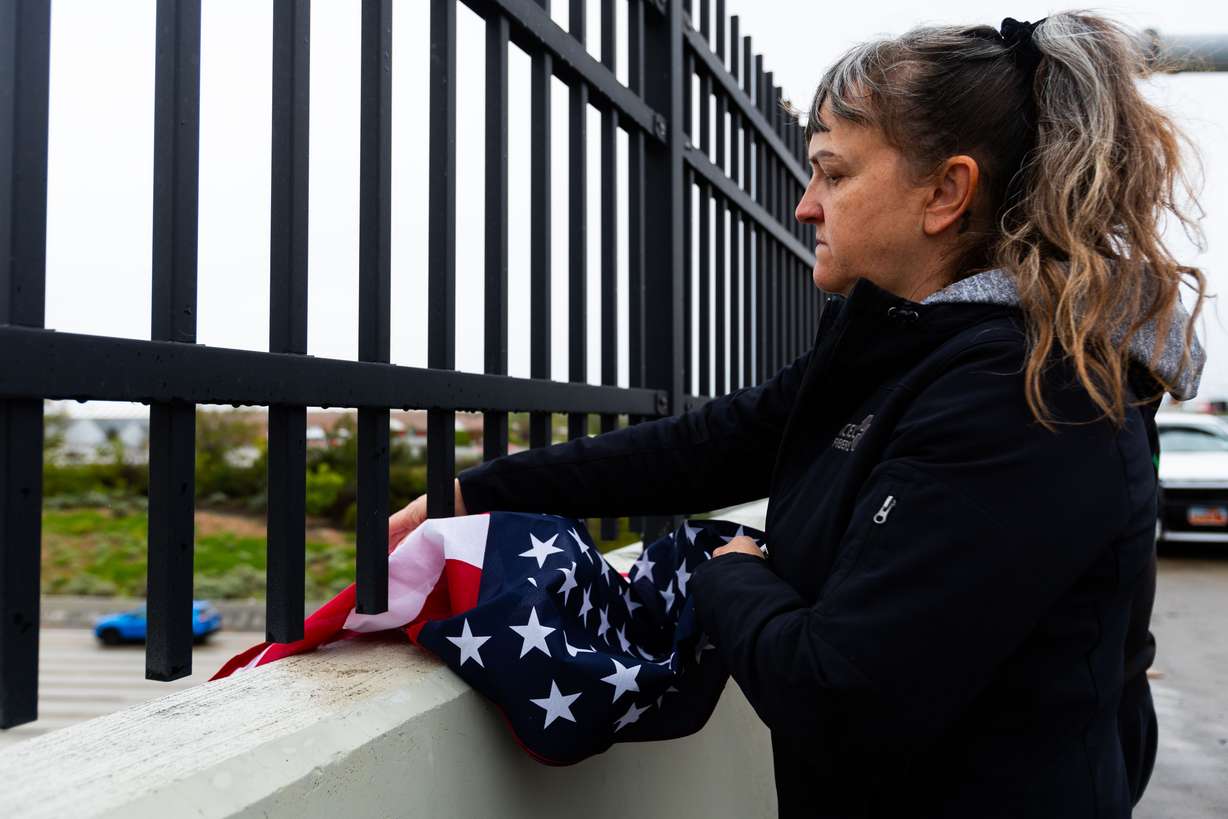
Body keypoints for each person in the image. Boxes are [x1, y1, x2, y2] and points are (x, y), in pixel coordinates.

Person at [389, 12, 1207, 818]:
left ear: (947, 191)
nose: (807, 205)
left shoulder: (1029, 395)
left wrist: (729, 574)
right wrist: (478, 491)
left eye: (834, 173)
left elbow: (841, 692)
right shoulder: (908, 345)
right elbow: (713, 442)